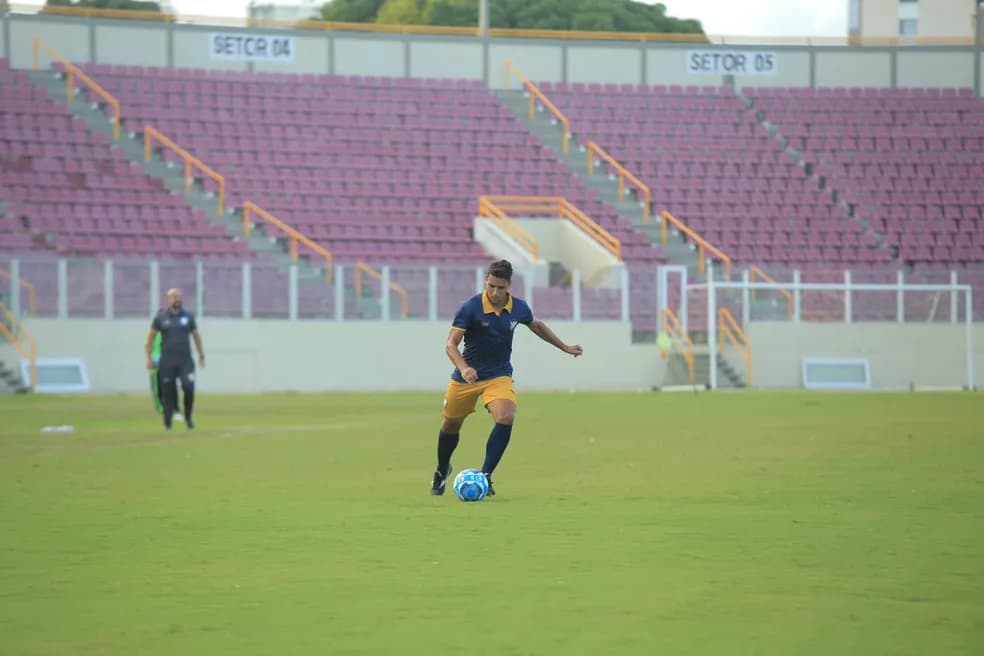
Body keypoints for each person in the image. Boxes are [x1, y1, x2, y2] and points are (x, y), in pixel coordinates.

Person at [431, 259, 583, 497]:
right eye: (491, 286)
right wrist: (463, 367)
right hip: (466, 377)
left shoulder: (518, 308)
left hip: (498, 375)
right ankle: (441, 470)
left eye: (500, 288)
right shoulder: (470, 307)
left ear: (509, 285)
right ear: (486, 281)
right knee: (450, 425)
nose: (494, 292)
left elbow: (537, 326)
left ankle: (486, 475)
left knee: (505, 417)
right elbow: (451, 344)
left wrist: (564, 347)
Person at [145, 288, 205, 430]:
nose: (176, 299)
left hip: (185, 361)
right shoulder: (161, 318)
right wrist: (149, 358)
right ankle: (167, 422)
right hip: (167, 362)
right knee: (167, 392)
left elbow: (196, 336)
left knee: (188, 388)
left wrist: (201, 354)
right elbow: (150, 338)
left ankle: (188, 417)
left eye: (178, 297)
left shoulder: (188, 317)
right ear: (168, 299)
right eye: (173, 297)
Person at [149, 331, 182, 421]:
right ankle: (163, 410)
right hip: (156, 362)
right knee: (158, 389)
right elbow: (149, 345)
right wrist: (150, 359)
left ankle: (175, 410)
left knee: (171, 387)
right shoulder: (154, 332)